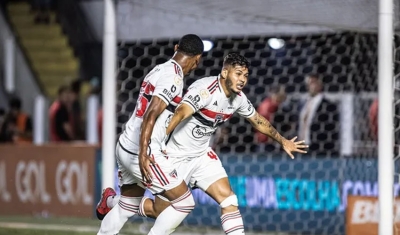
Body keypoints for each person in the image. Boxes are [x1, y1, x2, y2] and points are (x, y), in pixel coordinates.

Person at [99, 53, 308, 234]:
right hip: (175, 155)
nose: (243, 79)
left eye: (245, 75)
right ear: (225, 73)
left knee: (229, 200)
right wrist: (157, 144)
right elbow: (179, 113)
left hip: (200, 156)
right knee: (158, 211)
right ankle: (112, 201)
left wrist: (283, 141)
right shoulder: (204, 90)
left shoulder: (239, 99)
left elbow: (258, 120)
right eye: (238, 74)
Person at [96, 34, 204, 235]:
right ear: (197, 59)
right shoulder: (174, 77)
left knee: (127, 206)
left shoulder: (158, 69)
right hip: (142, 151)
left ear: (176, 47)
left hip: (125, 145)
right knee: (185, 202)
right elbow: (151, 113)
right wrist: (144, 153)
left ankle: (109, 204)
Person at [298, 74, 339, 156]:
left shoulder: (328, 106)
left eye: (313, 82)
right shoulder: (303, 104)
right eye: (308, 83)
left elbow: (331, 129)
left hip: (319, 149)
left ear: (320, 85)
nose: (310, 85)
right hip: (301, 148)